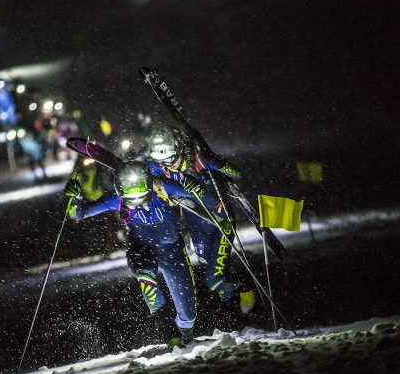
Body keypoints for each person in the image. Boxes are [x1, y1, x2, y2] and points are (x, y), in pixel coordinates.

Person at [64, 161, 224, 346]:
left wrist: (196, 187)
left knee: (188, 314)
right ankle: (168, 333)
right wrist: (74, 199)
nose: (136, 196)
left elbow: (204, 197)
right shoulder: (116, 199)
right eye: (130, 191)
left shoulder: (163, 188)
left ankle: (185, 334)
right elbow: (79, 214)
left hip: (173, 251)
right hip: (142, 250)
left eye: (140, 188)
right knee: (147, 279)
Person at [146, 121, 256, 315]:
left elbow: (237, 174)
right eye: (162, 160)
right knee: (214, 268)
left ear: (178, 148)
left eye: (171, 158)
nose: (168, 164)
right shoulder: (160, 167)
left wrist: (217, 163)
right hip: (196, 223)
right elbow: (146, 178)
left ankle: (243, 287)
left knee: (214, 281)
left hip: (220, 222)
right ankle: (235, 309)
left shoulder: (198, 161)